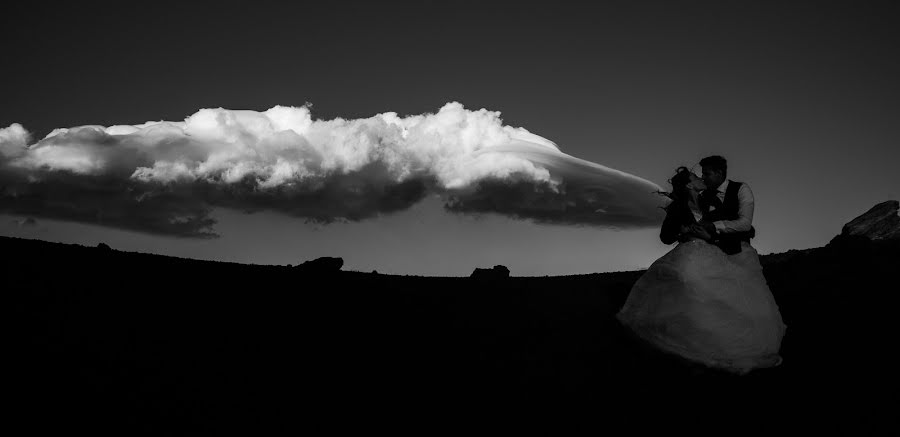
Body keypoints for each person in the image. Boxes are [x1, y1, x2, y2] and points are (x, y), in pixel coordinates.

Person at [616, 161, 786, 375]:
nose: (701, 179)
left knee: (723, 296)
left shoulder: (710, 200)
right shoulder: (679, 207)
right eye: (697, 178)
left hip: (713, 252)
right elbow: (665, 237)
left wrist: (711, 234)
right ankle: (690, 340)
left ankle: (725, 341)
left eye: (703, 175)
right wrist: (684, 231)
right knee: (691, 287)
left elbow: (740, 227)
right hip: (691, 251)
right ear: (689, 185)